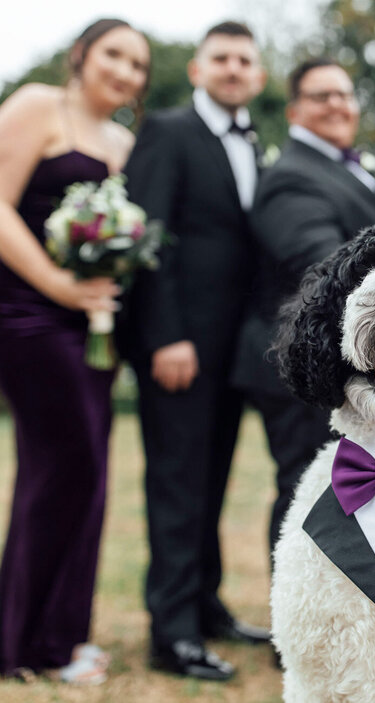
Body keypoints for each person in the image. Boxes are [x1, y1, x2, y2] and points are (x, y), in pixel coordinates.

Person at [0, 19, 150, 683]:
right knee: (67, 464)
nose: (126, 71)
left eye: (139, 64)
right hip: (28, 314)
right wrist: (60, 283)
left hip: (94, 327)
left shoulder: (125, 141)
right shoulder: (37, 105)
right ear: (82, 55)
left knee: (88, 472)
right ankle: (24, 642)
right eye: (115, 54)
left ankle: (60, 637)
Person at [122, 21, 270, 681]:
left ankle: (206, 604)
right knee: (178, 486)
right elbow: (148, 239)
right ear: (198, 69)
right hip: (179, 346)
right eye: (222, 57)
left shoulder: (254, 144)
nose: (234, 67)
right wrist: (164, 335)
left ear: (259, 76)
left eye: (245, 59)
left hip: (233, 351)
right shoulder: (167, 131)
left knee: (211, 482)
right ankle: (172, 632)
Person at [231, 57, 375, 559]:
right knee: (308, 491)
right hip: (303, 358)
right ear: (296, 110)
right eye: (322, 96)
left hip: (348, 359)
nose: (338, 105)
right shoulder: (291, 176)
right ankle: (296, 625)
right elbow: (322, 266)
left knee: (338, 488)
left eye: (345, 94)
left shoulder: (349, 168)